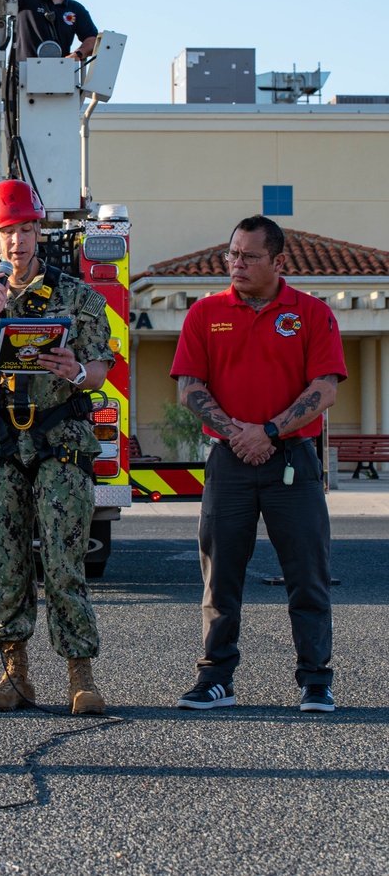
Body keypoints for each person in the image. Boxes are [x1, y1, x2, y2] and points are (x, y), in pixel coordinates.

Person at [0, 179, 114, 715]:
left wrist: (78, 370)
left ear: (38, 231)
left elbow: (101, 369)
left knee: (65, 562)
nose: (16, 241)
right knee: (10, 564)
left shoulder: (77, 296)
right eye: (6, 232)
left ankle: (79, 677)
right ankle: (15, 675)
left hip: (59, 443)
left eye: (24, 229)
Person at [171, 215, 347, 713]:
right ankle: (215, 679)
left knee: (308, 576)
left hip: (293, 464)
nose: (237, 264)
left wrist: (268, 431)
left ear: (279, 261)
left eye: (249, 256)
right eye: (232, 254)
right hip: (229, 463)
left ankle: (316, 681)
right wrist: (239, 434)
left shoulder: (312, 314)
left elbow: (325, 388)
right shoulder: (205, 314)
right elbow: (189, 388)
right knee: (220, 575)